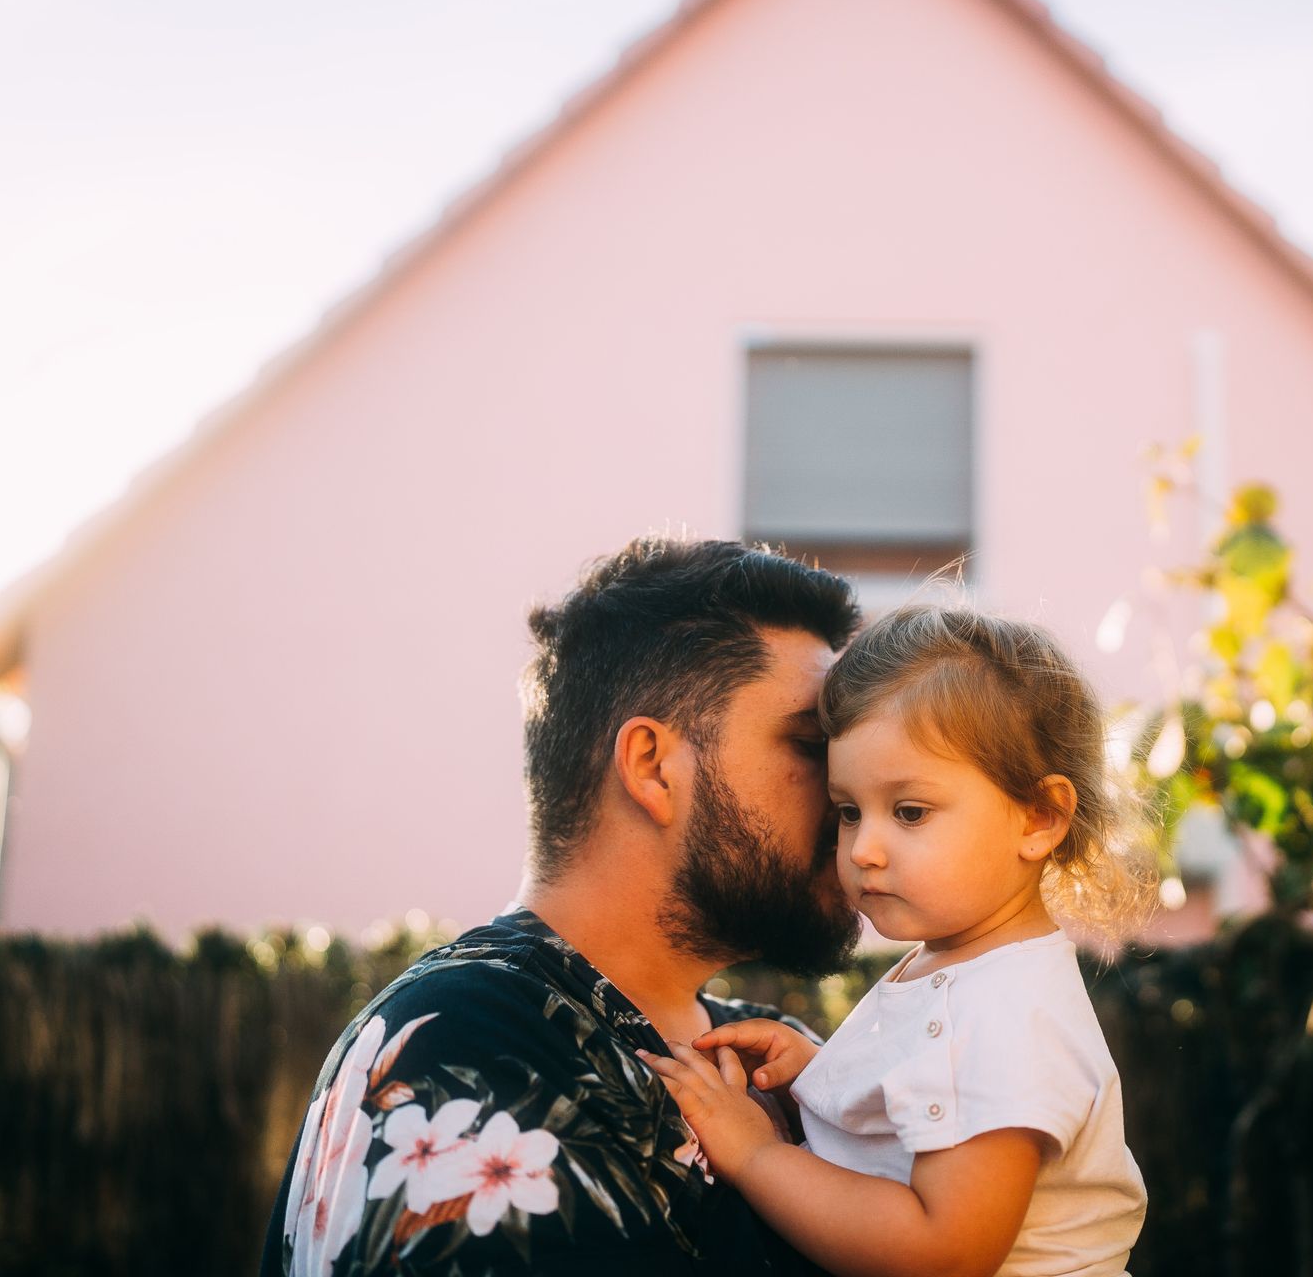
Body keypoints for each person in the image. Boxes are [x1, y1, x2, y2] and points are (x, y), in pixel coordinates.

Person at [260, 537, 862, 1276]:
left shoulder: (778, 1061)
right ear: (652, 767)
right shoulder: (465, 1050)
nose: (851, 788)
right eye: (813, 745)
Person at [641, 605, 1153, 1277]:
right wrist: (825, 1078)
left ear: (1039, 817)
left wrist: (757, 1156)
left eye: (910, 811)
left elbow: (941, 1250)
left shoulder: (1004, 1015)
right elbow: (929, 1117)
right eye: (850, 811)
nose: (864, 850)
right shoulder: (963, 964)